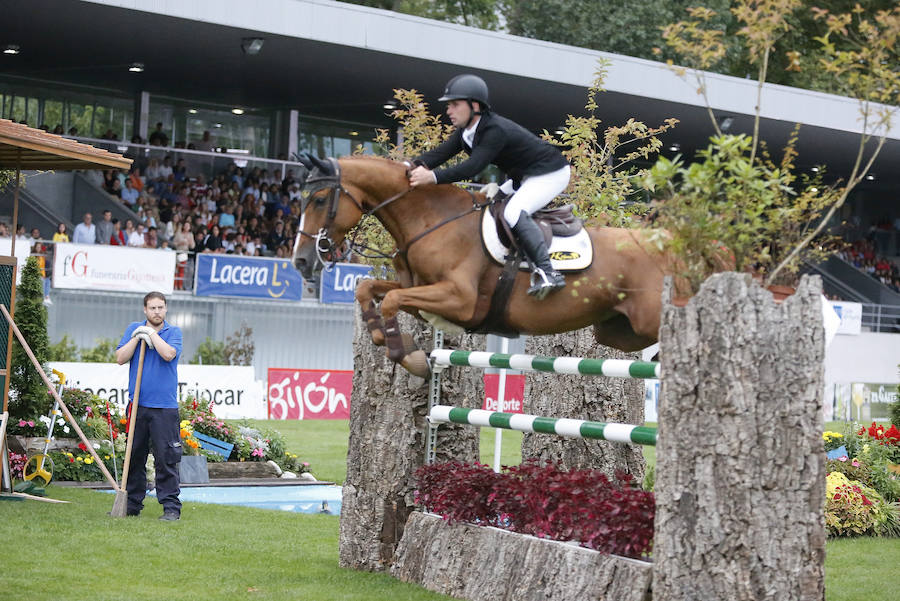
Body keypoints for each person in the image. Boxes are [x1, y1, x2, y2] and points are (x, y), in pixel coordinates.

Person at [409, 74, 570, 298]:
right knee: (487, 205)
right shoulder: (467, 132)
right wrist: (406, 166)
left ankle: (548, 272)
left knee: (514, 212)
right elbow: (438, 154)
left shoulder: (494, 130)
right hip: (522, 177)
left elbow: (471, 168)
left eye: (455, 105)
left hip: (550, 173)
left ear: (474, 106)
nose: (449, 111)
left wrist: (433, 177)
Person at [115, 292, 183, 521]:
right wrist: (137, 337)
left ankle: (171, 508)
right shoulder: (133, 328)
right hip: (137, 405)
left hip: (164, 407)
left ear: (165, 309)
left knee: (167, 458)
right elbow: (120, 358)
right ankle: (132, 505)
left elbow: (168, 354)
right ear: (145, 309)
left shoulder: (173, 333)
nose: (157, 312)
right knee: (134, 457)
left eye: (160, 308)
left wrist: (151, 334)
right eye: (152, 308)